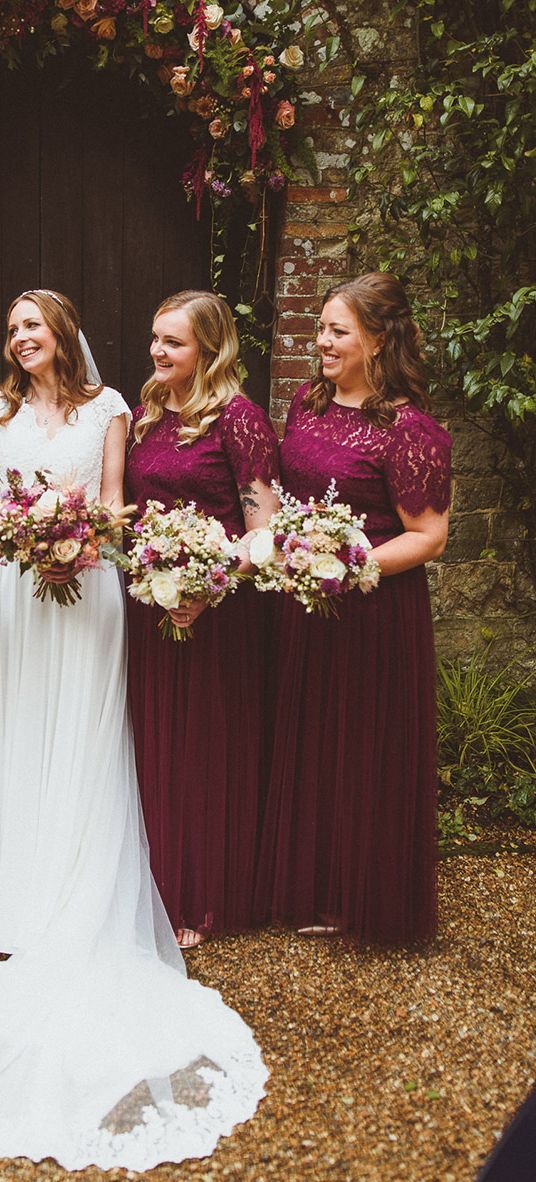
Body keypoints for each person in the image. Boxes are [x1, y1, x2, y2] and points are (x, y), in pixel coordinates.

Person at [0, 289, 268, 1171]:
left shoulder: (114, 409)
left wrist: (76, 538)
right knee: (17, 726)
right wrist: (23, 535)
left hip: (88, 591)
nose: (19, 337)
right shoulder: (2, 409)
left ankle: (76, 879)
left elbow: (115, 506)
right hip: (16, 593)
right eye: (11, 330)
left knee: (84, 730)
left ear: (63, 332)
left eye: (32, 324)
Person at [254, 272, 451, 943]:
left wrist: (349, 561)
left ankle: (364, 897)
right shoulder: (306, 407)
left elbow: (429, 535)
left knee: (365, 749)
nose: (323, 342)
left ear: (378, 340)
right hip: (307, 609)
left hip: (374, 616)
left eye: (339, 330)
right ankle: (314, 889)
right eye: (322, 329)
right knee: (311, 739)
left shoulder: (408, 430)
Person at [125, 290, 279, 948]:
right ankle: (154, 890)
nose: (158, 351)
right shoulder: (146, 414)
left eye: (175, 342)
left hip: (218, 615)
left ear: (208, 351)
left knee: (206, 752)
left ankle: (205, 895)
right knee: (156, 746)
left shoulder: (239, 421)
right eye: (156, 338)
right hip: (150, 608)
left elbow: (265, 531)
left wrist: (207, 586)